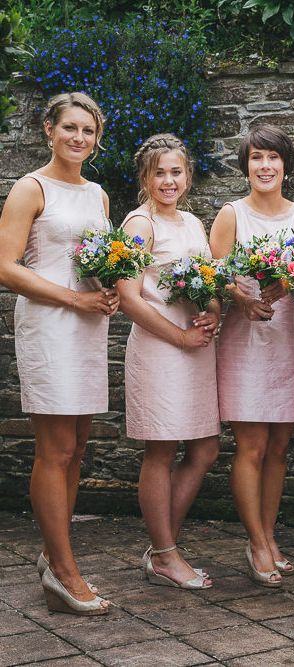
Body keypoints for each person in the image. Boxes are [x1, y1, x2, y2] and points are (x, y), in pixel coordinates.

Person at [0, 92, 116, 615]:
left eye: (88, 131)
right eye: (70, 128)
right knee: (57, 448)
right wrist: (74, 297)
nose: (78, 139)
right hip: (49, 324)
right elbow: (6, 267)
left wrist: (110, 288)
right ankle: (66, 573)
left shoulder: (97, 194)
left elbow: (102, 259)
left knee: (78, 447)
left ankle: (53, 556)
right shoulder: (30, 189)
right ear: (49, 129)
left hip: (89, 325)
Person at [210, 125, 294, 587]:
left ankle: (270, 535)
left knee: (278, 448)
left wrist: (292, 281)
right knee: (250, 446)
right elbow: (213, 275)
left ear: (285, 164)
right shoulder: (232, 214)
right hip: (245, 341)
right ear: (246, 165)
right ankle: (255, 541)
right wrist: (240, 297)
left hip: (289, 339)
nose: (265, 166)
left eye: (272, 158)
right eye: (256, 158)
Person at [117, 134, 220, 589]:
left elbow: (210, 283)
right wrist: (179, 334)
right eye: (159, 172)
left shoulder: (195, 223)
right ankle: (165, 553)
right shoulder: (140, 225)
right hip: (161, 349)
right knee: (161, 449)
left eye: (176, 171)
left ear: (187, 175)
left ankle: (163, 547)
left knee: (205, 448)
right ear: (145, 177)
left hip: (196, 350)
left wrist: (212, 311)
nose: (168, 180)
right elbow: (128, 297)